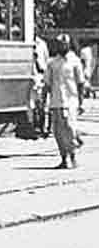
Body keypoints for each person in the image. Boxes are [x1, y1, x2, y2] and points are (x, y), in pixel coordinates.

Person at [44, 33, 84, 169]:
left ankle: (73, 155)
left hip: (71, 100)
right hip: (56, 101)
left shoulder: (75, 61)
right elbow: (47, 84)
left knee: (70, 128)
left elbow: (80, 83)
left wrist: (81, 101)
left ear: (68, 44)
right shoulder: (52, 62)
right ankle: (63, 157)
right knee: (58, 131)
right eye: (59, 44)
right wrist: (44, 102)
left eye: (64, 43)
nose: (62, 46)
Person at [32, 35, 50, 137]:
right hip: (31, 76)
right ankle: (35, 126)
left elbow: (46, 60)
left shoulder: (42, 44)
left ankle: (43, 127)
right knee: (33, 104)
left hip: (39, 76)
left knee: (42, 104)